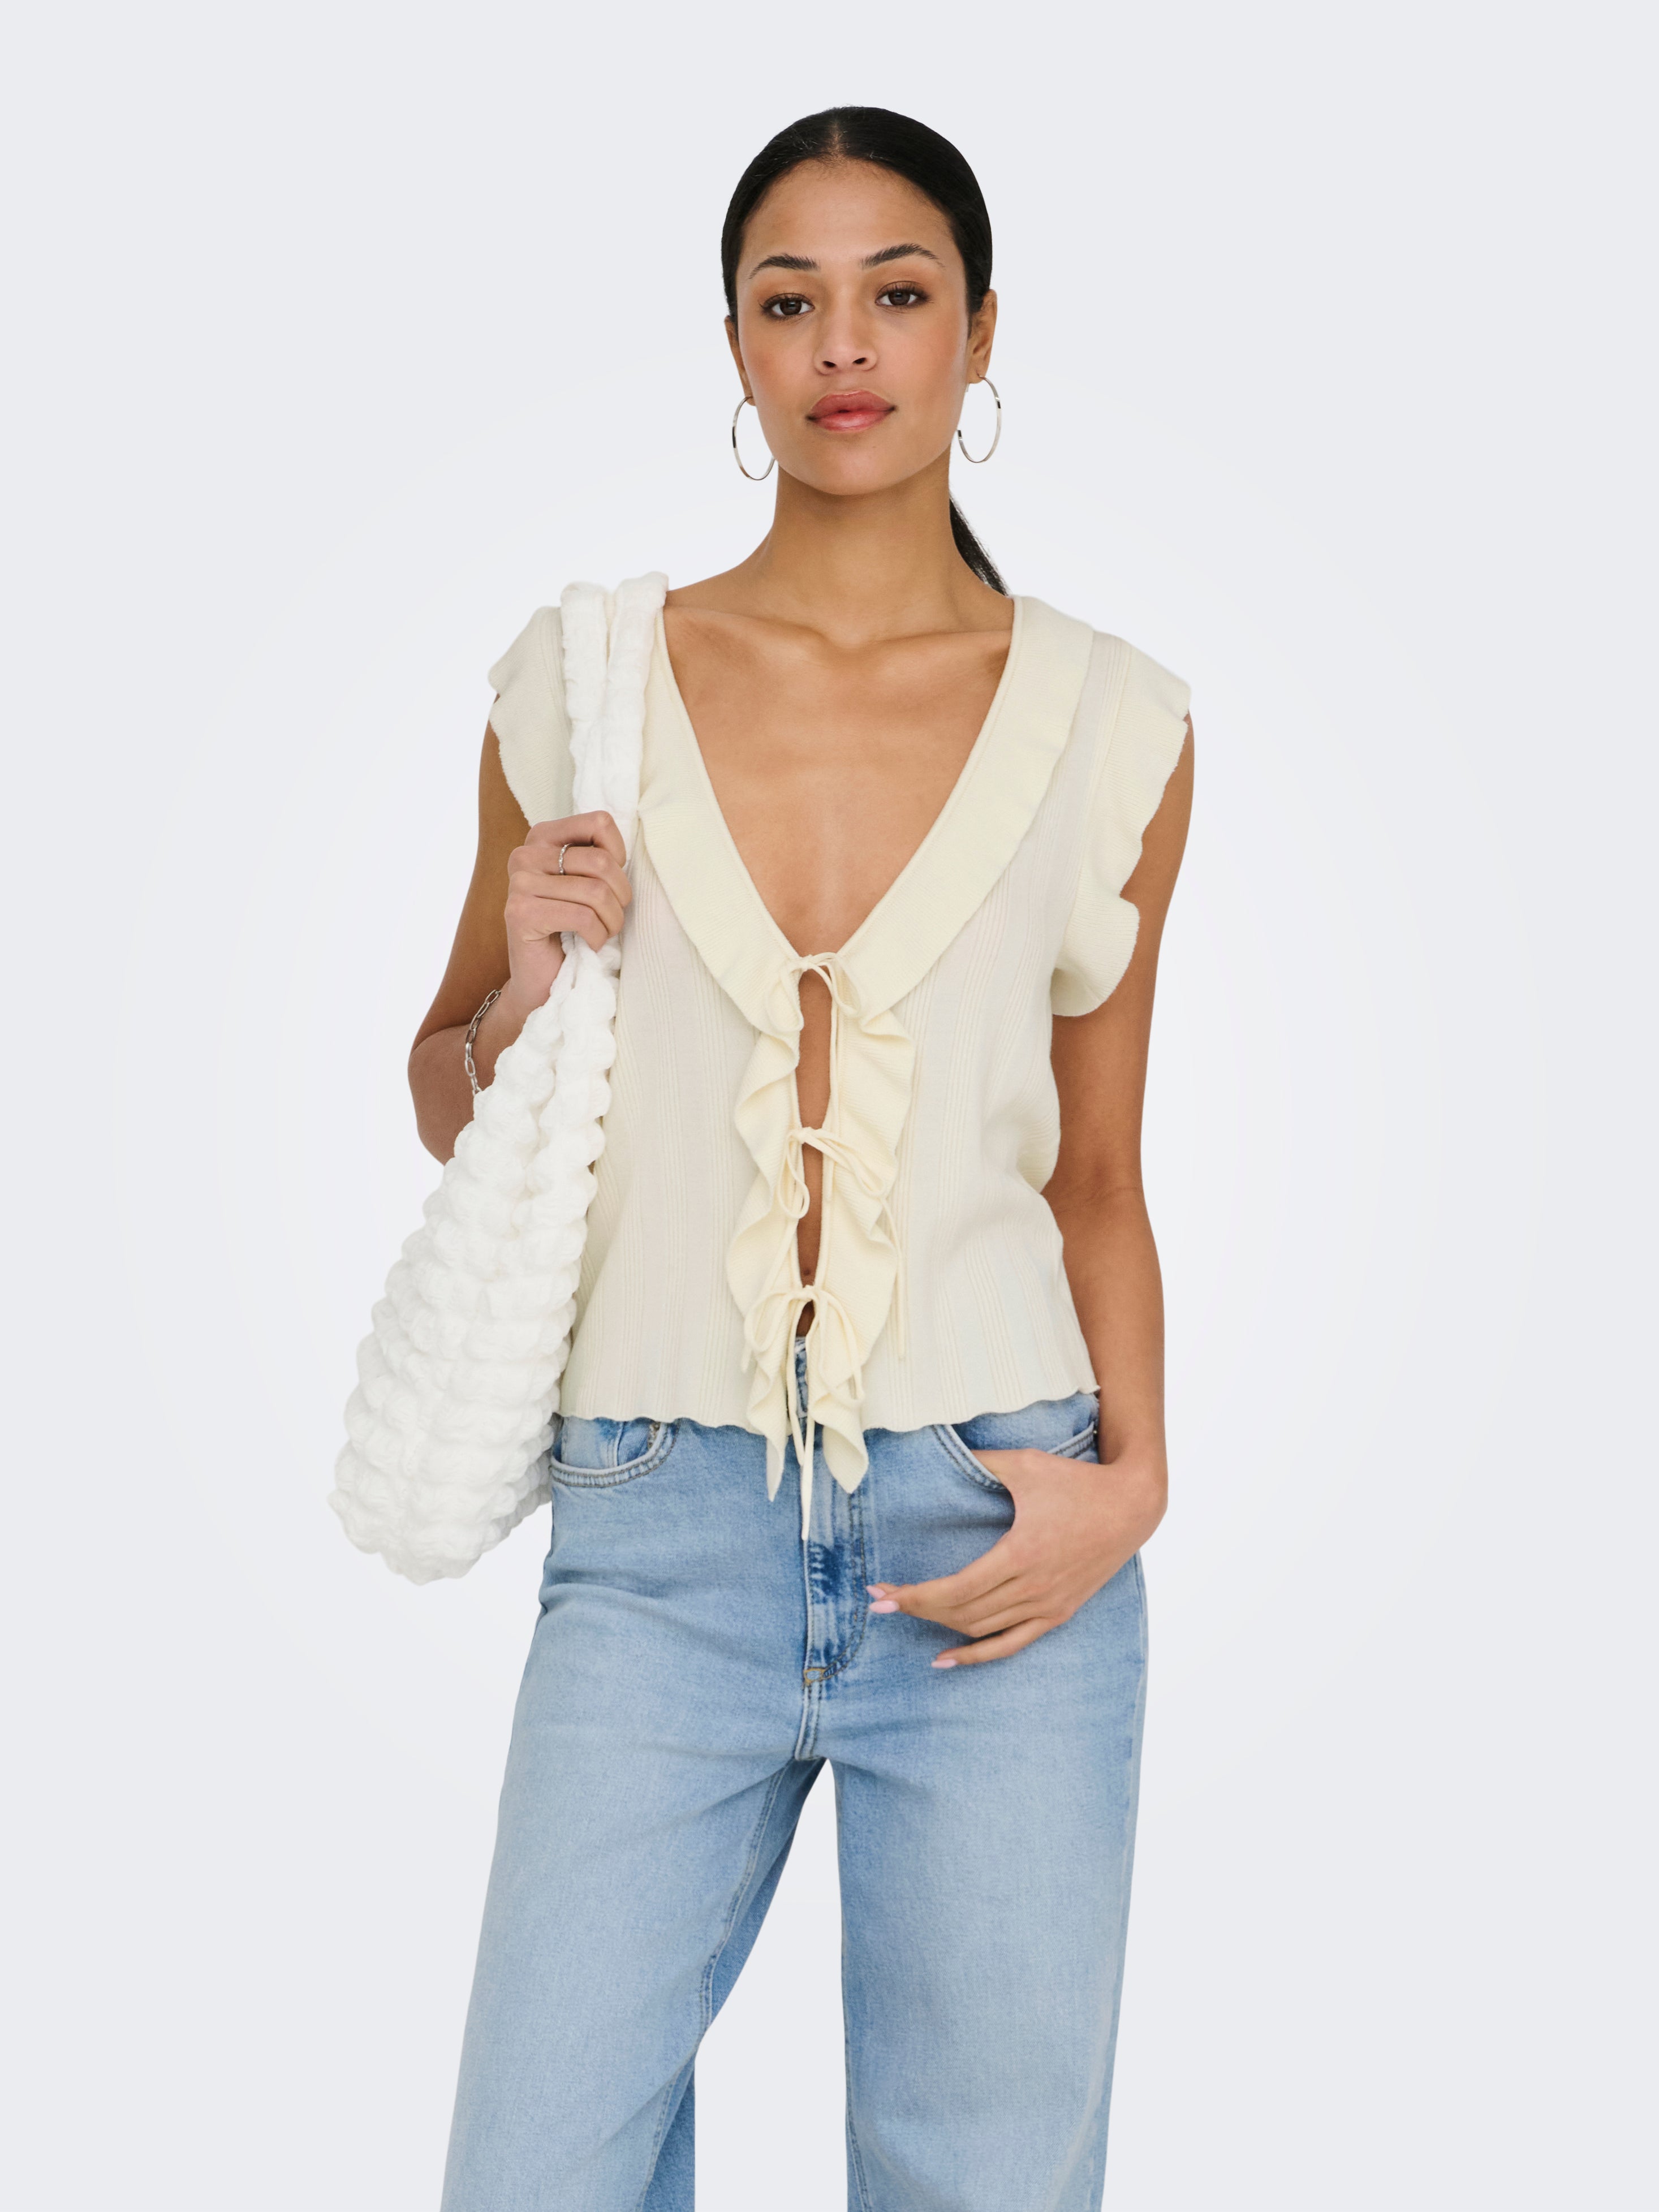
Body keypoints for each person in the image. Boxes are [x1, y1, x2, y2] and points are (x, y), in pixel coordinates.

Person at [411, 105, 1194, 2212]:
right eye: (791, 300)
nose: (844, 343)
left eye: (898, 293)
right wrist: (520, 981)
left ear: (979, 332)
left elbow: (1099, 1175)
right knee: (532, 2169)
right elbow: (451, 1089)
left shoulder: (1115, 721)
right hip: (656, 1534)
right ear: (739, 349)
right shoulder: (587, 684)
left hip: (1002, 1526)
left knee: (988, 2181)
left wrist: (1131, 1487)